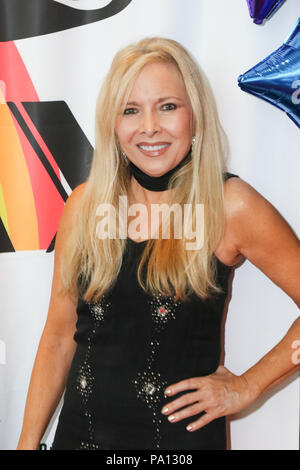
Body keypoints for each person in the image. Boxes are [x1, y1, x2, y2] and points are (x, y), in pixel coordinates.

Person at [17, 37, 300, 451]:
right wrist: (27, 442)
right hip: (78, 439)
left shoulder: (230, 207)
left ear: (195, 114)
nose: (149, 126)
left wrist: (248, 386)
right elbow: (59, 336)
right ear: (113, 124)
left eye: (167, 106)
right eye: (131, 110)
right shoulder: (83, 205)